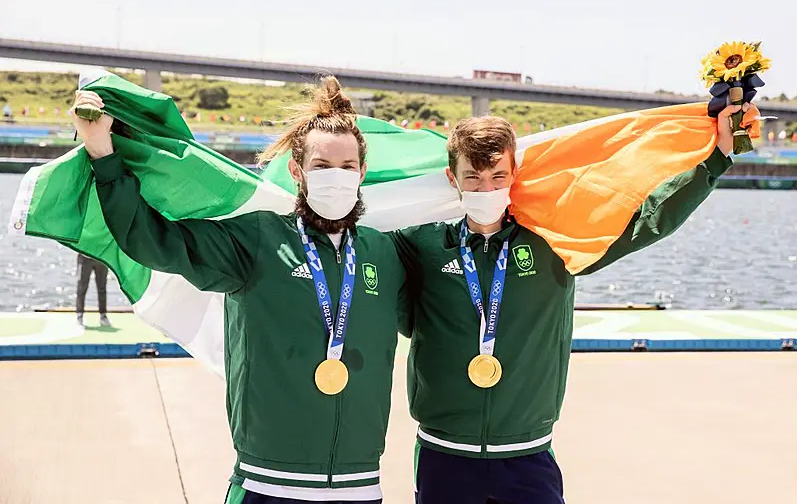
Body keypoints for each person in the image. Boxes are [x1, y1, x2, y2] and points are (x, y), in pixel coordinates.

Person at [69, 76, 408, 504]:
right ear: (297, 171)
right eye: (322, 166)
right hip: (266, 483)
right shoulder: (258, 238)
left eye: (346, 167)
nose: (335, 178)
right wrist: (103, 153)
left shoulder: (387, 252)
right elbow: (156, 241)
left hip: (360, 486)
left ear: (362, 172)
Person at [390, 104, 745, 504]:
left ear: (514, 176)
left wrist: (718, 158)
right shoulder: (420, 244)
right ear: (451, 178)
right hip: (444, 453)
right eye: (472, 177)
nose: (486, 189)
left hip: (528, 454)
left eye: (497, 177)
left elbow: (648, 221)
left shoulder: (556, 239)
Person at [75, 253, 111, 327]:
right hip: (84, 258)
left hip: (101, 257)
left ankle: (103, 315)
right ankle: (79, 315)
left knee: (102, 288)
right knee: (81, 288)